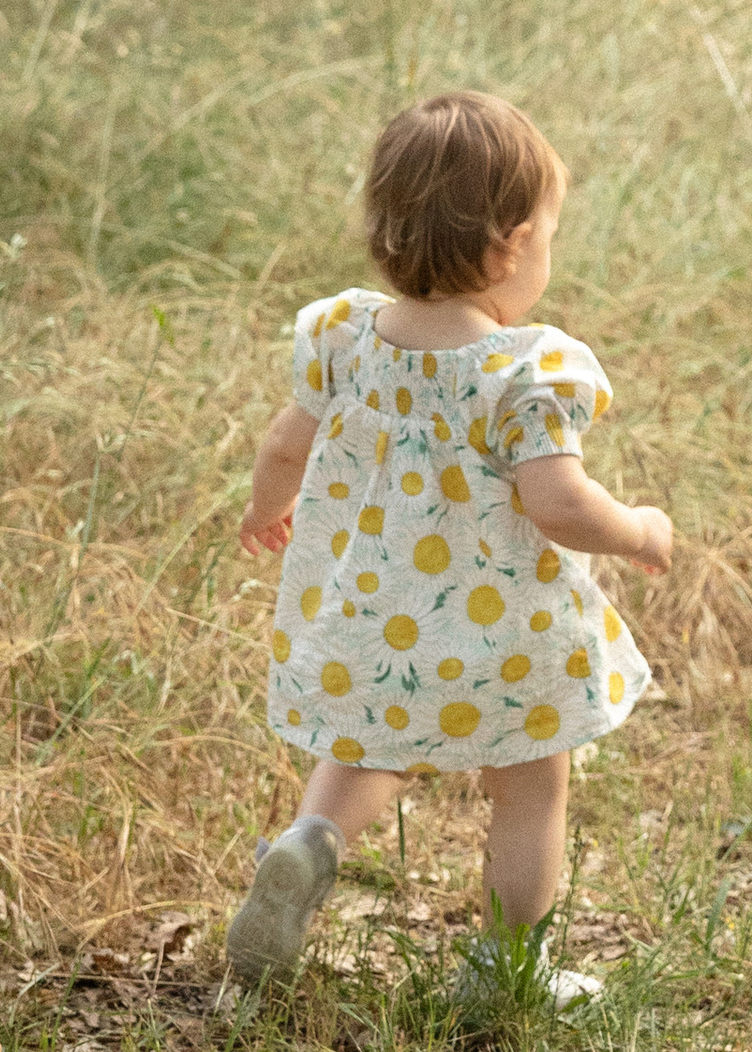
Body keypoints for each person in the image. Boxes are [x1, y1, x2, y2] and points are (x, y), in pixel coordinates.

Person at [228, 90, 673, 997]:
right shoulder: (525, 370)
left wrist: (264, 511)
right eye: (546, 235)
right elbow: (557, 502)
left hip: (377, 623)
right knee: (532, 784)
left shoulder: (346, 337)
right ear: (512, 244)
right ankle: (507, 969)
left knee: (361, 750)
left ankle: (308, 844)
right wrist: (636, 531)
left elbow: (283, 443)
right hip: (506, 638)